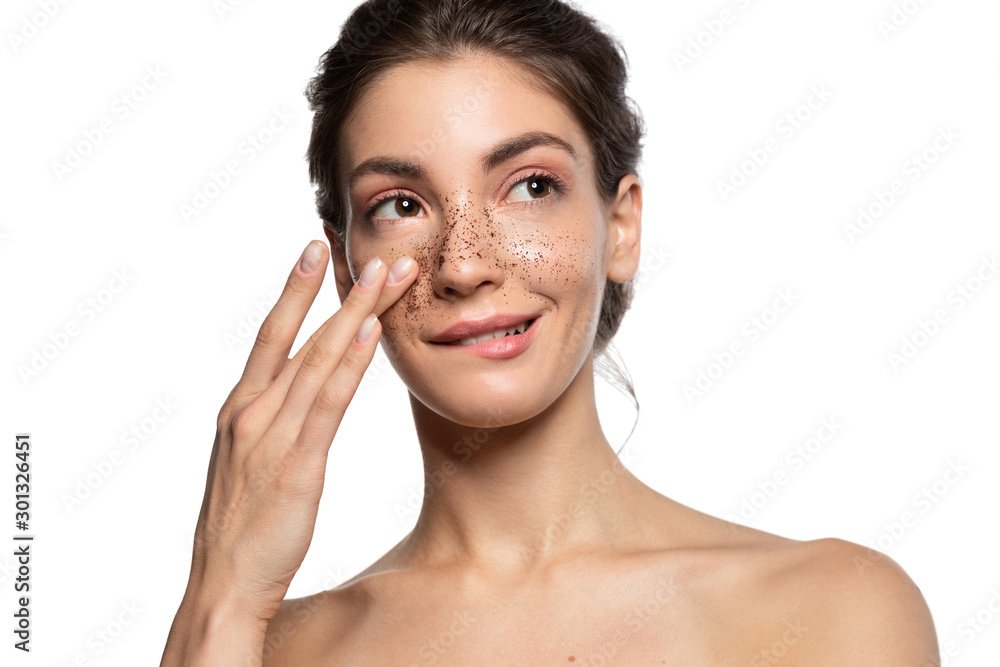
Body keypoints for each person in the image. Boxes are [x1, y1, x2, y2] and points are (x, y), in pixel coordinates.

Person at [161, 0, 939, 664]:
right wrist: (222, 592)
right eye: (400, 204)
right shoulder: (277, 648)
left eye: (530, 186)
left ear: (622, 225)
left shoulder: (835, 616)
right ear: (345, 267)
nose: (463, 264)